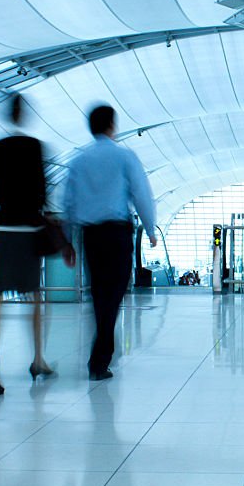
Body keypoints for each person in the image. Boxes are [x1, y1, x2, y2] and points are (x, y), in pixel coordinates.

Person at [63, 105, 157, 381]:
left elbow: (69, 202)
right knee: (114, 294)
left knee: (99, 292)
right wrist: (150, 228)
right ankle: (100, 357)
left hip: (91, 235)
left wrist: (68, 240)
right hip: (117, 234)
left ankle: (101, 351)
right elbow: (141, 193)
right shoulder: (125, 156)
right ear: (112, 126)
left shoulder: (79, 161)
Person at [0, 94, 55, 396]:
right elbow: (41, 189)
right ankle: (37, 358)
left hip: (3, 226)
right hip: (27, 228)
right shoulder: (35, 148)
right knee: (35, 297)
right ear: (22, 114)